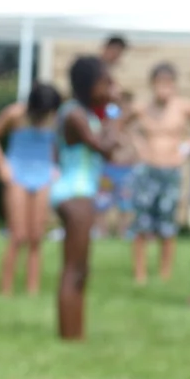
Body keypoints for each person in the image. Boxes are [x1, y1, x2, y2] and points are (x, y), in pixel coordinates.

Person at [50, 56, 122, 340]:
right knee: (74, 269)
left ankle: (75, 335)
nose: (109, 87)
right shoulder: (75, 114)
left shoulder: (82, 112)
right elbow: (105, 148)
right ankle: (69, 337)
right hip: (75, 193)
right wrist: (114, 112)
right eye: (105, 82)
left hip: (79, 192)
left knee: (81, 269)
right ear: (88, 83)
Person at [0, 82, 63, 296]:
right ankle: (5, 291)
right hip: (17, 174)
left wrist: (57, 167)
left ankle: (32, 290)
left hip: (43, 175)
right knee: (18, 235)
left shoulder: (56, 119)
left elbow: (63, 146)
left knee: (36, 236)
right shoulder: (15, 114)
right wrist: (2, 165)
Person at [129, 62, 190, 284]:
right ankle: (140, 273)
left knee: (168, 223)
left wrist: (184, 151)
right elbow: (125, 126)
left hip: (171, 169)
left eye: (168, 84)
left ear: (174, 85)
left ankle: (165, 273)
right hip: (148, 169)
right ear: (152, 84)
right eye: (160, 84)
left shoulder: (183, 107)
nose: (164, 89)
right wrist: (138, 147)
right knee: (142, 222)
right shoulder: (142, 108)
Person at [98, 89, 140, 239]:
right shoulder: (109, 120)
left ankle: (124, 233)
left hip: (127, 169)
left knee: (125, 203)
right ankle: (101, 232)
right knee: (102, 203)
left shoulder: (134, 125)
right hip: (109, 168)